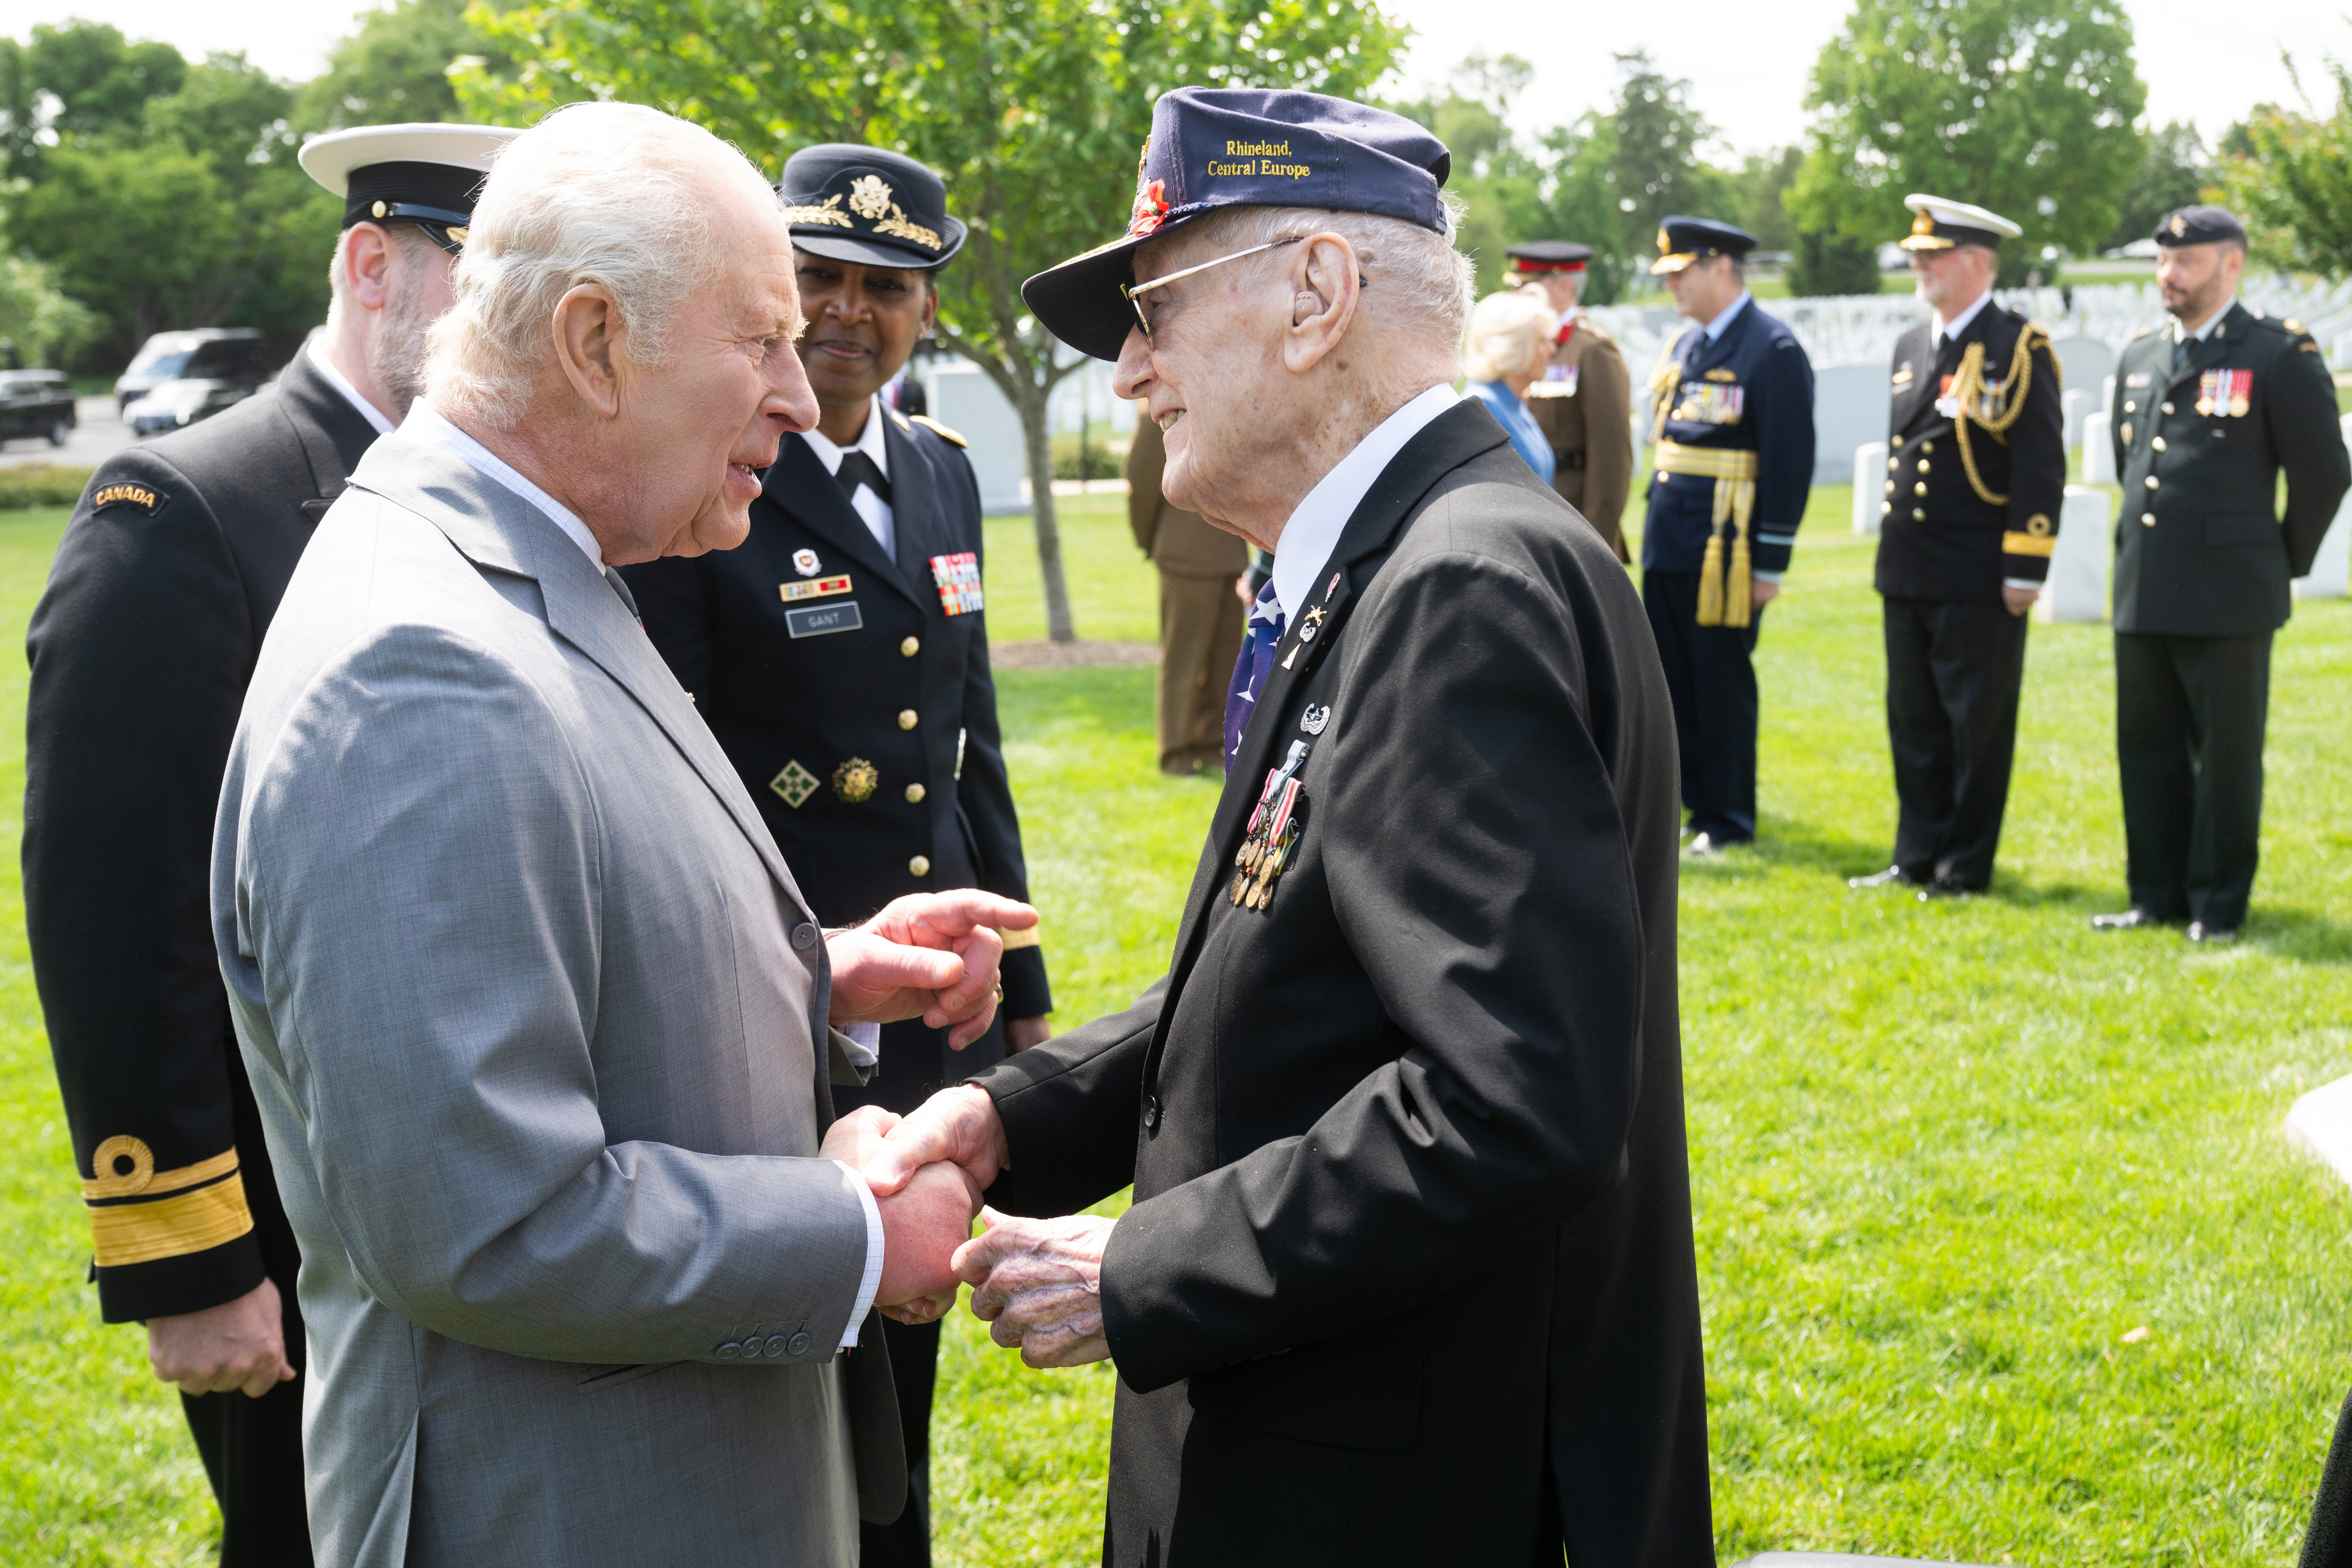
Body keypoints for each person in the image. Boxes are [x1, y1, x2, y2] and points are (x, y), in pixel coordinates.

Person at [861, 86, 1711, 1566]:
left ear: (1317, 297)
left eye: (1153, 311)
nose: (1129, 372)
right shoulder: (1402, 560)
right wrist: (1014, 1116)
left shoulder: (1458, 590)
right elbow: (1304, 960)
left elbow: (1514, 1105)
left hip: (1406, 1484)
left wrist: (1145, 1260)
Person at [207, 102, 1022, 1565]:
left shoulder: (546, 560)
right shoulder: (426, 666)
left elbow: (567, 923)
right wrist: (856, 1231)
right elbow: (487, 1219)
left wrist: (810, 977)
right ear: (594, 344)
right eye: (761, 338)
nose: (798, 390)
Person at [22, 120, 515, 1567]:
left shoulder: (490, 495)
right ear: (373, 264)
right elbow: (117, 909)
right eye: (482, 285)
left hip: (474, 1194)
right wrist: (188, 1254)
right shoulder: (186, 509)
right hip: (289, 1219)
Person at [622, 141, 1052, 1568]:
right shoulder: (705, 479)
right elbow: (667, 765)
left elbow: (962, 734)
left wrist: (1020, 974)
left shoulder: (936, 470)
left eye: (887, 286)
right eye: (817, 277)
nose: (846, 314)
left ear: (927, 306)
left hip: (921, 1006)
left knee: (904, 1340)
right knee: (785, 1362)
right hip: (772, 998)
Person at [2092, 205, 2349, 942]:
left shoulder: (2276, 355)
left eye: (2186, 262)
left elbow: (2325, 474)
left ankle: (2218, 904)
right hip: (2146, 587)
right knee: (2147, 752)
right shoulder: (2140, 355)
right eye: (2162, 261)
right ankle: (2154, 895)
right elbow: (2130, 464)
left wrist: (2279, 560)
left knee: (2227, 761)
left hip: (2231, 596)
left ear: (2230, 265)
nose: (2167, 276)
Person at [1848, 195, 2064, 899]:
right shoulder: (1913, 345)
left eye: (1932, 256)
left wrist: (2025, 568)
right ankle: (1915, 855)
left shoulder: (2017, 347)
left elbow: (2038, 467)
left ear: (1976, 261)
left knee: (1976, 725)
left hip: (1977, 572)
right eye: (1915, 256)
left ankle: (1963, 866)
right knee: (1913, 720)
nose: (1919, 266)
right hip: (1909, 564)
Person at [1639, 215, 1816, 854]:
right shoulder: (1686, 347)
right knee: (1673, 682)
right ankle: (1695, 808)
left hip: (1726, 551)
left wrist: (1770, 562)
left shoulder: (1770, 349)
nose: (1673, 287)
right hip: (1671, 543)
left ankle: (1729, 817)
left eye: (1682, 272)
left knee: (1720, 684)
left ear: (1721, 268)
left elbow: (1789, 460)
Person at [1127, 405, 1248, 774]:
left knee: (1225, 658)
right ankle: (1176, 751)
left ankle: (1214, 743)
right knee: (1183, 658)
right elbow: (1142, 485)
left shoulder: (1233, 402)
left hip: (1230, 551)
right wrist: (1154, 542)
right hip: (1183, 554)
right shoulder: (1159, 412)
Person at [1508, 240, 1635, 561]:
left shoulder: (1593, 350)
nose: (1515, 296)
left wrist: (1595, 547)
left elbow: (1611, 459)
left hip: (1571, 516)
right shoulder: (1524, 347)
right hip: (1526, 513)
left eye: (1526, 287)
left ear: (1564, 286)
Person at [1462, 286, 1557, 483]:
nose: (1552, 349)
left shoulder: (1513, 400)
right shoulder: (1483, 407)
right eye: (1542, 341)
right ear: (1514, 347)